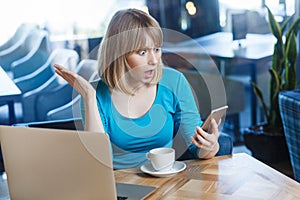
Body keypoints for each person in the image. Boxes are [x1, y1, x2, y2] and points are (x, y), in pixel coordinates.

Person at [54, 8, 224, 169]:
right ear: (119, 55)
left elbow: (196, 148)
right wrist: (89, 97)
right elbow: (98, 161)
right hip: (117, 186)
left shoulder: (174, 81)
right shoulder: (94, 94)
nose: (154, 60)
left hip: (164, 182)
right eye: (142, 52)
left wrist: (210, 147)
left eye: (156, 49)